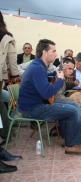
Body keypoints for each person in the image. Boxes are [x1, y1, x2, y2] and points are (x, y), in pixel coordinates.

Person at [17, 39, 81, 154]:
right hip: (33, 109)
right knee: (71, 111)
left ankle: (69, 139)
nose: (56, 54)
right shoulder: (37, 68)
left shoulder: (38, 65)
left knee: (72, 105)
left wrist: (56, 73)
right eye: (54, 51)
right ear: (44, 53)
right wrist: (60, 79)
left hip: (35, 105)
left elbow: (44, 76)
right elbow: (47, 93)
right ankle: (72, 144)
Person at [0, 11, 20, 144]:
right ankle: (6, 133)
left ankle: (6, 133)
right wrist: (15, 76)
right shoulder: (6, 37)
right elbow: (12, 63)